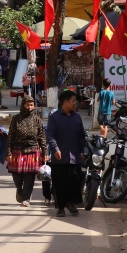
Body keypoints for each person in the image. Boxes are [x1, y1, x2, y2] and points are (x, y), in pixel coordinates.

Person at [46, 88, 87, 216]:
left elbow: (81, 136)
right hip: (59, 157)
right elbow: (50, 136)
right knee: (60, 183)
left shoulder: (77, 118)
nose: (76, 103)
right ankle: (61, 207)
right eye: (73, 101)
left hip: (74, 156)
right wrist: (56, 149)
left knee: (74, 181)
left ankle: (71, 203)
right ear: (65, 102)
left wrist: (82, 151)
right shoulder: (55, 117)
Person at [6, 94, 47, 206]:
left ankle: (26, 198)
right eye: (27, 105)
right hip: (18, 150)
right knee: (17, 175)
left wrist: (45, 152)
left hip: (33, 150)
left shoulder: (37, 120)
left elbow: (42, 137)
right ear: (23, 105)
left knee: (30, 175)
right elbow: (10, 137)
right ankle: (19, 190)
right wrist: (8, 152)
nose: (29, 107)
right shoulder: (16, 119)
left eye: (32, 105)